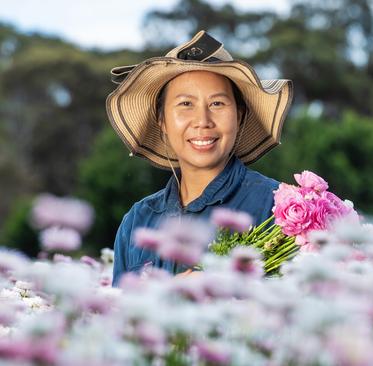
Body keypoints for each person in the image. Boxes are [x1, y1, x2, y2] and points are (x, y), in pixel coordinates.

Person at [106, 30, 293, 286]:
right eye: (185, 104)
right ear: (161, 120)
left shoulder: (278, 208)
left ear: (239, 116)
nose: (203, 121)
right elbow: (121, 319)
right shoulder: (138, 221)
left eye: (217, 104)